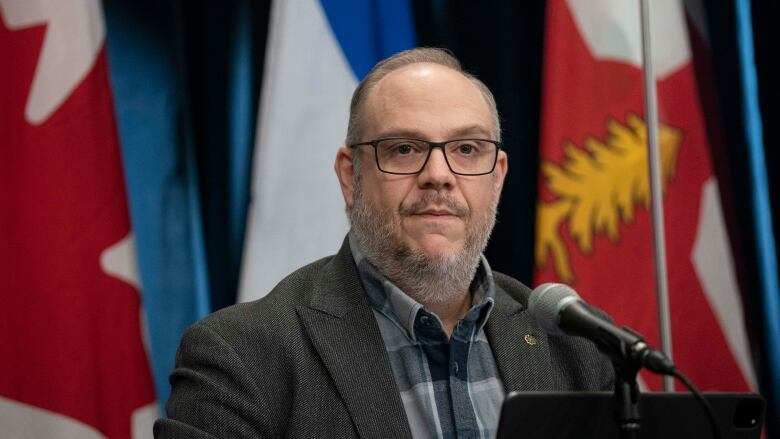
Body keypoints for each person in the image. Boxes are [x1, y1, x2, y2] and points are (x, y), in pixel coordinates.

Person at [154, 47, 613, 439]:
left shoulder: (579, 347)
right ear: (351, 175)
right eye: (404, 149)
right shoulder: (239, 356)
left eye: (467, 150)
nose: (439, 176)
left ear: (497, 178)